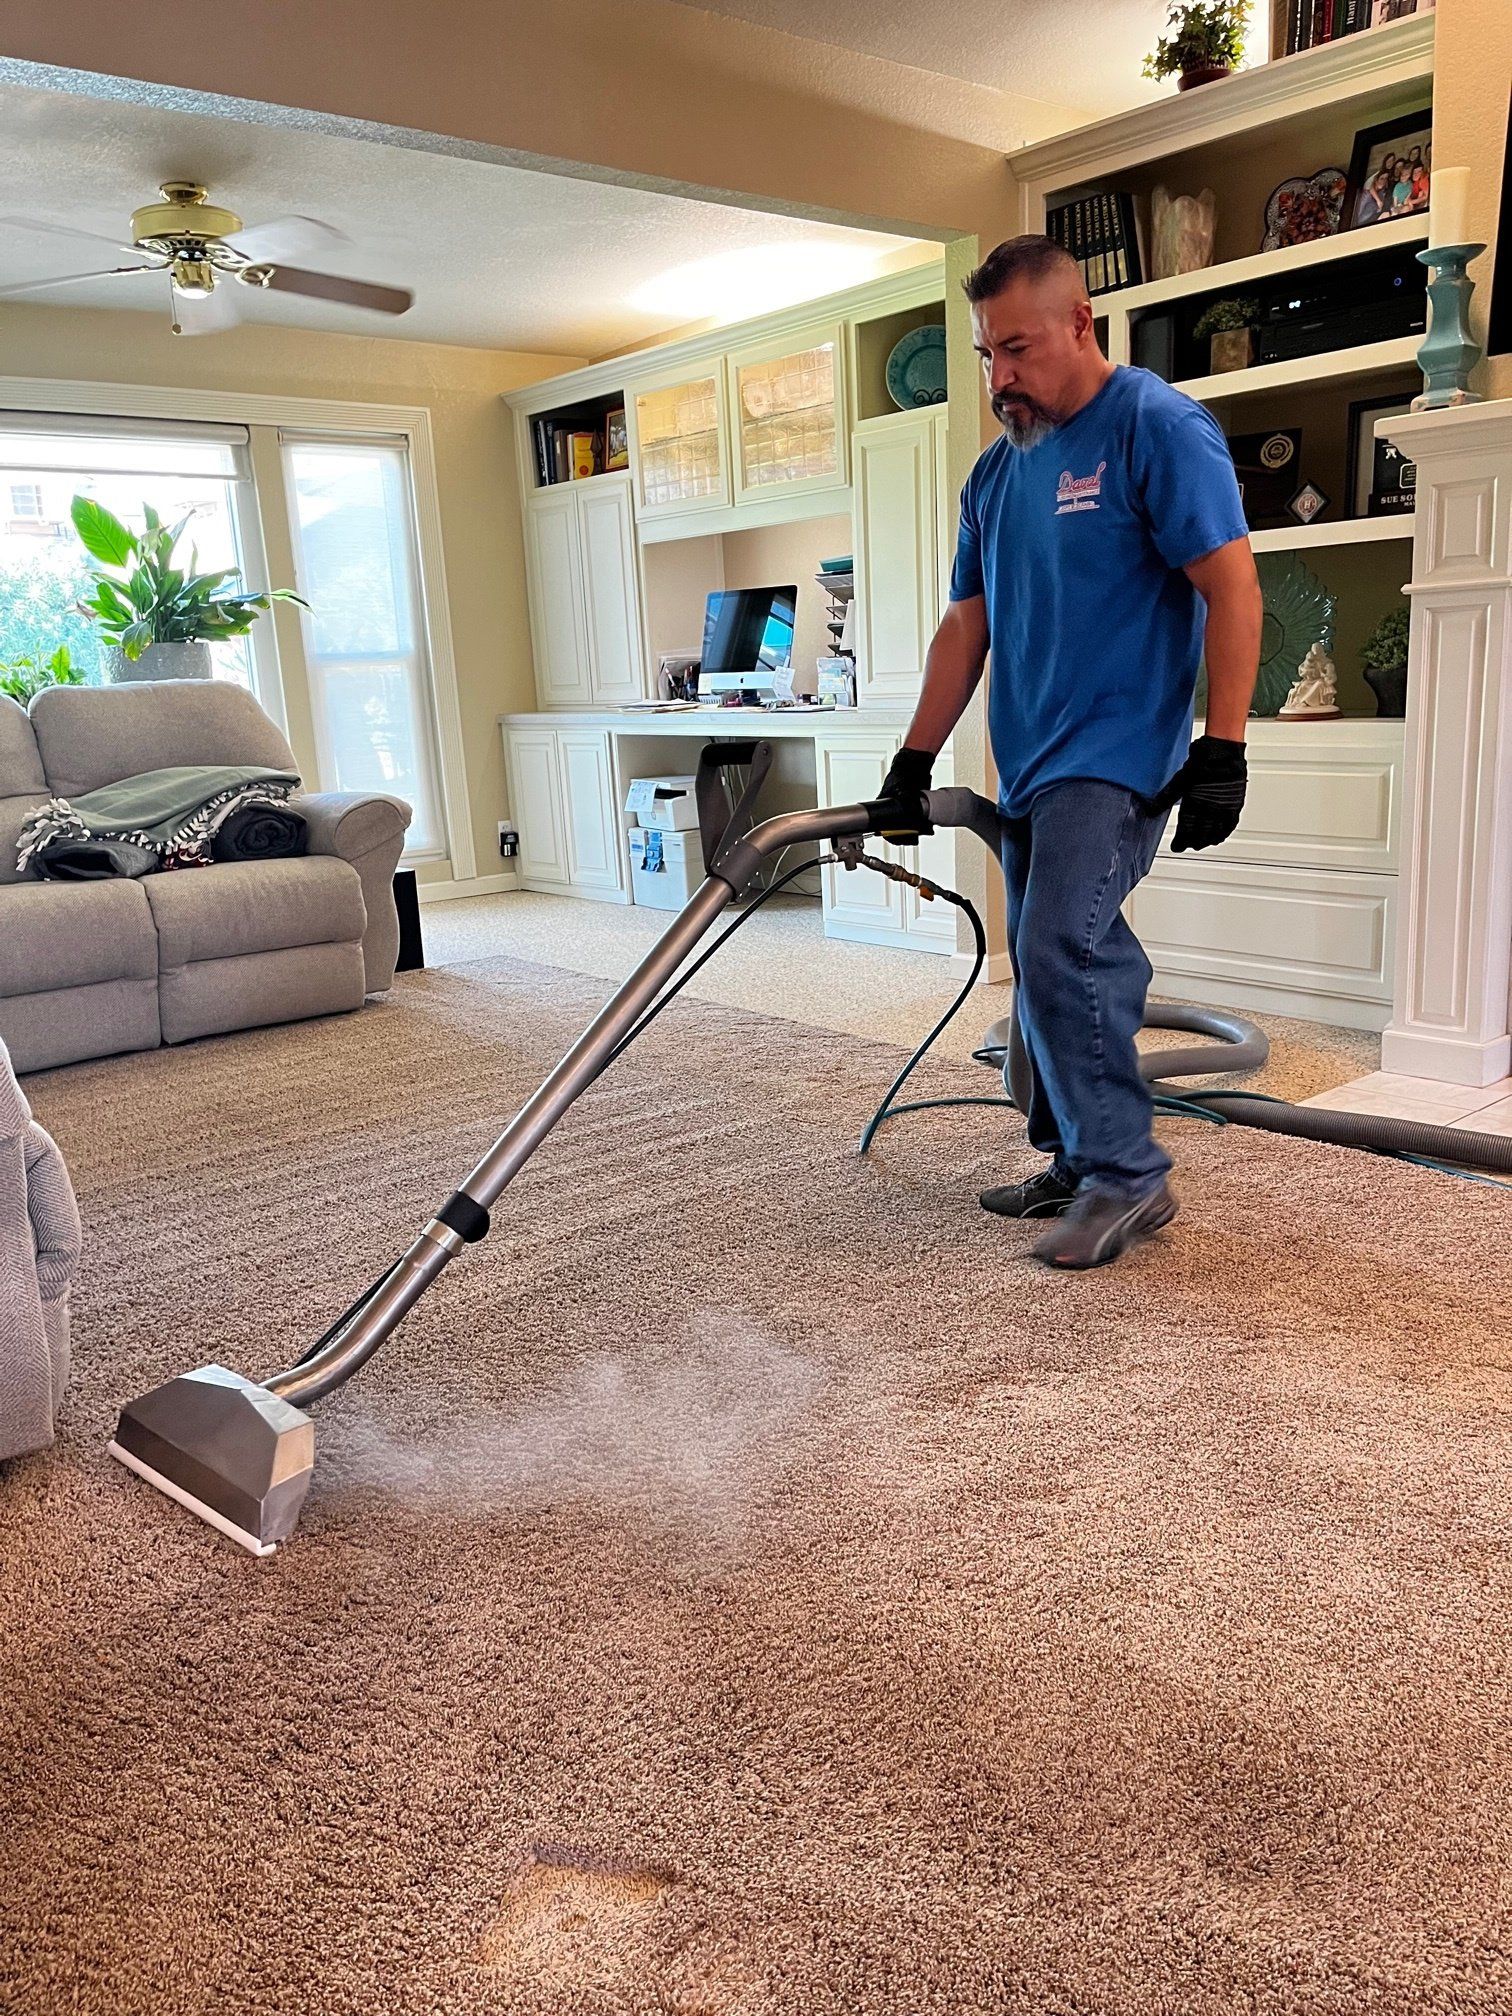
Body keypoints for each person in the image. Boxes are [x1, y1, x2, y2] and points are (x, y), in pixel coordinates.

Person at [876, 235, 1260, 1271]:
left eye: (1018, 348)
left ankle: (1128, 1176)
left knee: (1058, 951)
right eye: (984, 355)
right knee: (1065, 960)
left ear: (1081, 325)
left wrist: (1223, 744)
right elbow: (967, 628)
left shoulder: (1155, 427)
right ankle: (1076, 1156)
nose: (1000, 376)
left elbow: (1232, 586)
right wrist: (911, 760)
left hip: (1116, 754)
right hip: (1027, 762)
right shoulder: (995, 476)